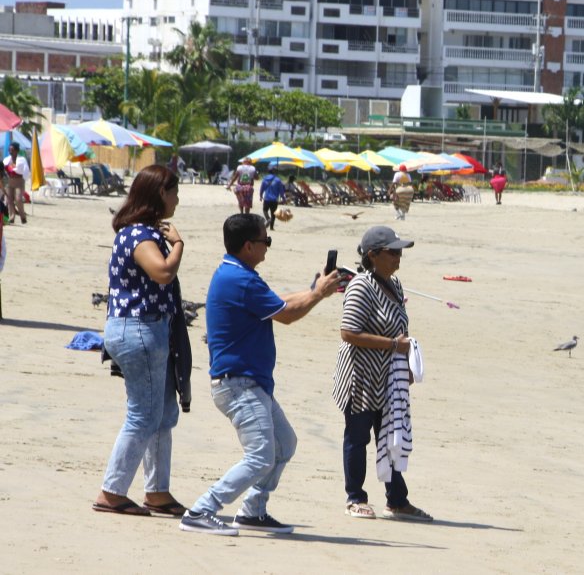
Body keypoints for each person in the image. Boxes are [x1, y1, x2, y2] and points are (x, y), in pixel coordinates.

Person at [178, 214, 340, 536]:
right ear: (249, 246)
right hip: (239, 383)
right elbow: (288, 315)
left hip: (250, 383)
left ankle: (253, 510)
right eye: (266, 241)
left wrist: (314, 289)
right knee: (261, 455)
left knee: (284, 444)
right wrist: (318, 295)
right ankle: (201, 509)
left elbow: (279, 303)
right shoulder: (241, 280)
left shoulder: (239, 274)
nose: (268, 246)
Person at [94, 165, 188, 518]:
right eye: (174, 191)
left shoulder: (136, 232)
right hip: (140, 329)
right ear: (159, 194)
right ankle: (112, 490)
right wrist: (178, 244)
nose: (177, 199)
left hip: (140, 329)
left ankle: (157, 491)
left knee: (163, 413)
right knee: (144, 416)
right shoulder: (139, 235)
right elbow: (163, 272)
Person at [337, 226, 434, 522]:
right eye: (392, 252)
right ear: (373, 255)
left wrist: (405, 364)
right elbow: (348, 332)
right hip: (361, 377)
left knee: (390, 436)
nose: (398, 256)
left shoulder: (396, 284)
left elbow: (401, 328)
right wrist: (393, 345)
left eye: (400, 250)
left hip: (388, 378)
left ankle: (397, 500)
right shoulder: (361, 286)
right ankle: (355, 498)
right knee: (357, 437)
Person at [3, 142, 29, 224]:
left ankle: (22, 216)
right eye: (9, 149)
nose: (10, 151)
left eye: (12, 149)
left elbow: (25, 171)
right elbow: (4, 170)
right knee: (9, 200)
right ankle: (12, 217)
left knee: (18, 199)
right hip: (9, 181)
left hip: (19, 181)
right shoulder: (6, 160)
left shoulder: (22, 159)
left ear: (17, 150)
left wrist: (23, 179)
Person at [259, 166, 285, 230]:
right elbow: (281, 191)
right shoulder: (278, 180)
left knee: (265, 210)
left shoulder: (265, 179)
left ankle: (268, 219)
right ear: (275, 172)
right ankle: (271, 227)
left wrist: (261, 195)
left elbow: (262, 188)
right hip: (274, 199)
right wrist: (283, 198)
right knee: (273, 213)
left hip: (267, 198)